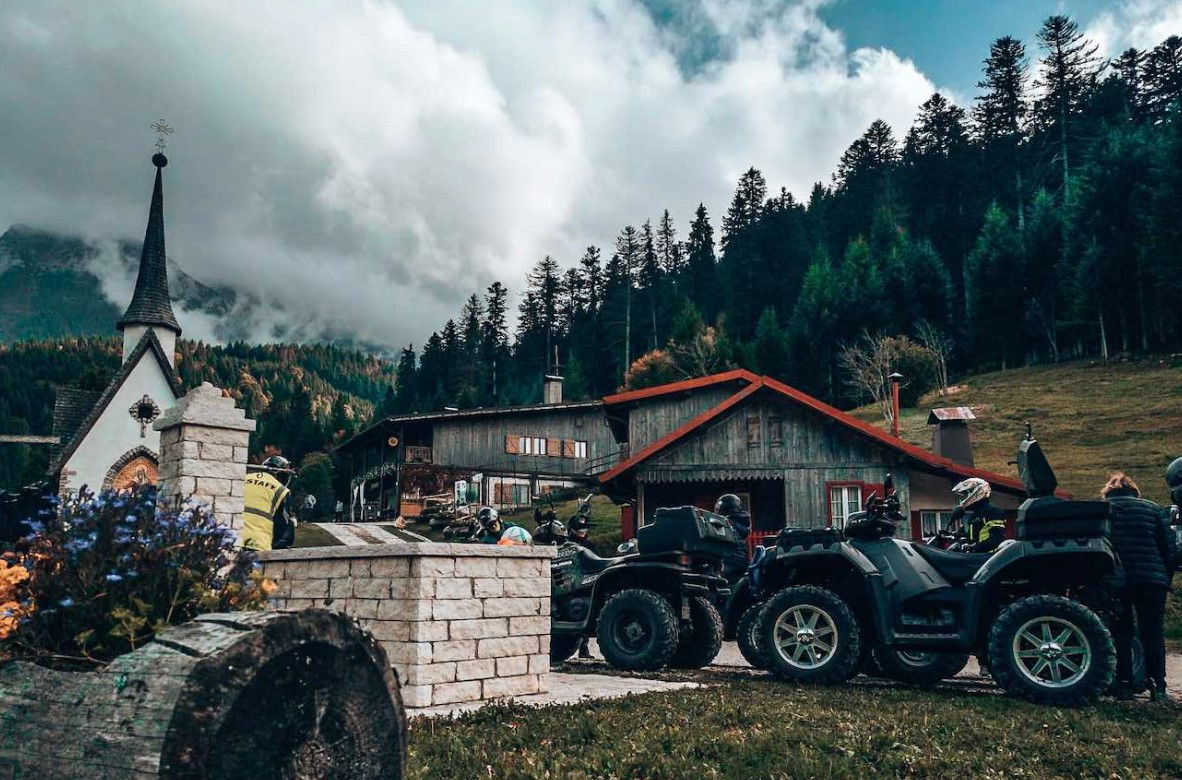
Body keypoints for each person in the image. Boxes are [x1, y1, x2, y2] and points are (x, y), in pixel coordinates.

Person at [1104, 473, 1176, 702]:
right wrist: (1165, 577)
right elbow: (1169, 548)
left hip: (1117, 578)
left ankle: (1123, 684)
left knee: (1121, 632)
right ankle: (1159, 687)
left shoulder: (1102, 509)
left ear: (1108, 492)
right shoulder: (1153, 509)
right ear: (1135, 491)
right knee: (1153, 632)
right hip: (1151, 578)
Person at [243, 456, 297, 551]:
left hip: (231, 538)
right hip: (258, 544)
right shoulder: (281, 490)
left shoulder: (243, 479)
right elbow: (283, 528)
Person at [950, 478, 1007, 553]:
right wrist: (951, 535)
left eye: (967, 494)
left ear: (977, 492)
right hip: (974, 555)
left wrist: (975, 546)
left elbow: (996, 538)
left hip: (988, 556)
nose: (964, 498)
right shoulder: (975, 514)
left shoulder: (993, 511)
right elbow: (970, 535)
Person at [714, 494, 752, 580]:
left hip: (730, 561)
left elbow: (718, 540)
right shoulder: (738, 521)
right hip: (740, 561)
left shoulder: (727, 522)